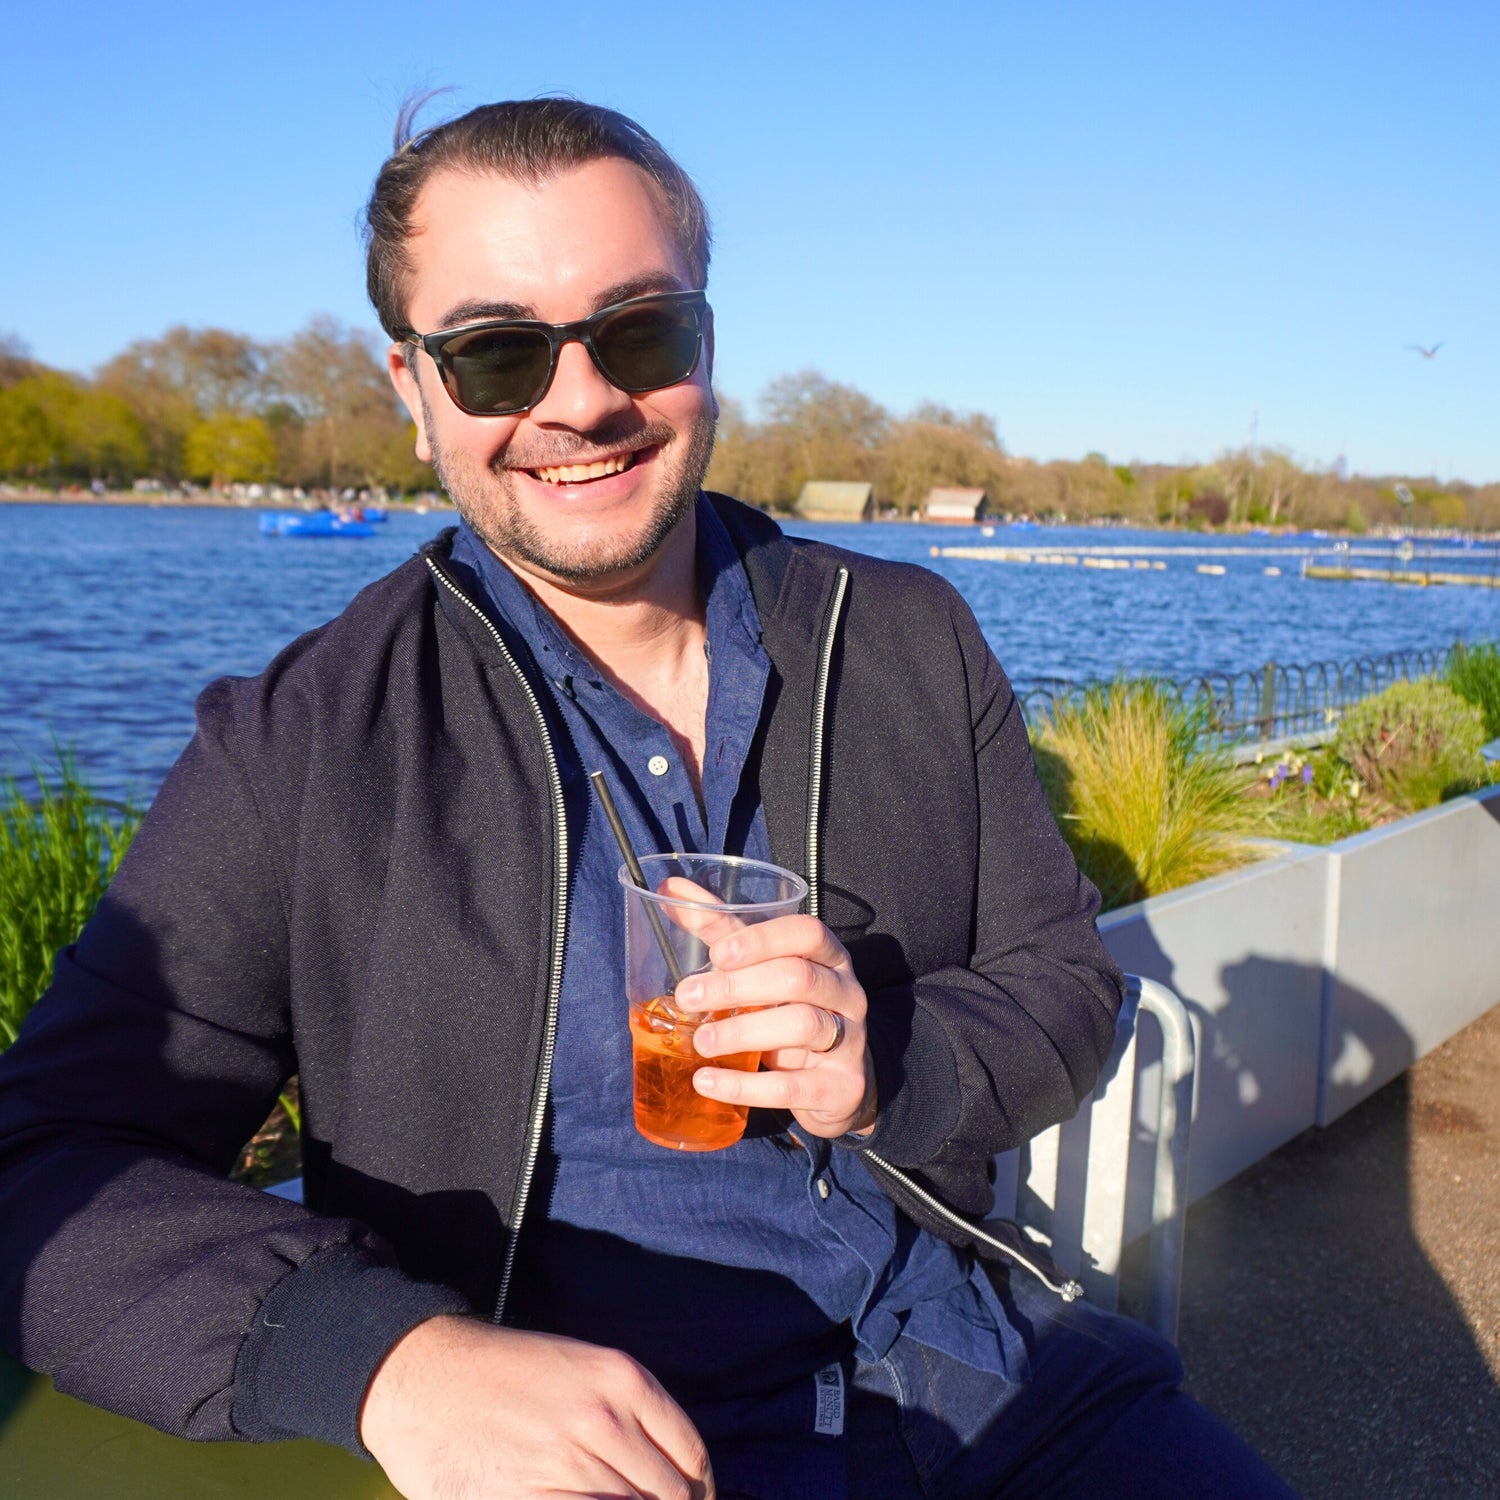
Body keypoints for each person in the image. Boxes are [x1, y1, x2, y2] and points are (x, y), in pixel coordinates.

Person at [0, 100, 1297, 1500]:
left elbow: (1066, 983)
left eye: (639, 331)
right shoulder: (305, 742)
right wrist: (386, 1363)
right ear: (412, 387)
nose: (580, 403)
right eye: (497, 353)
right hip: (609, 1454)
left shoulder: (908, 640)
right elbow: (43, 1161)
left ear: (707, 345)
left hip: (988, 1372)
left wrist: (887, 1061)